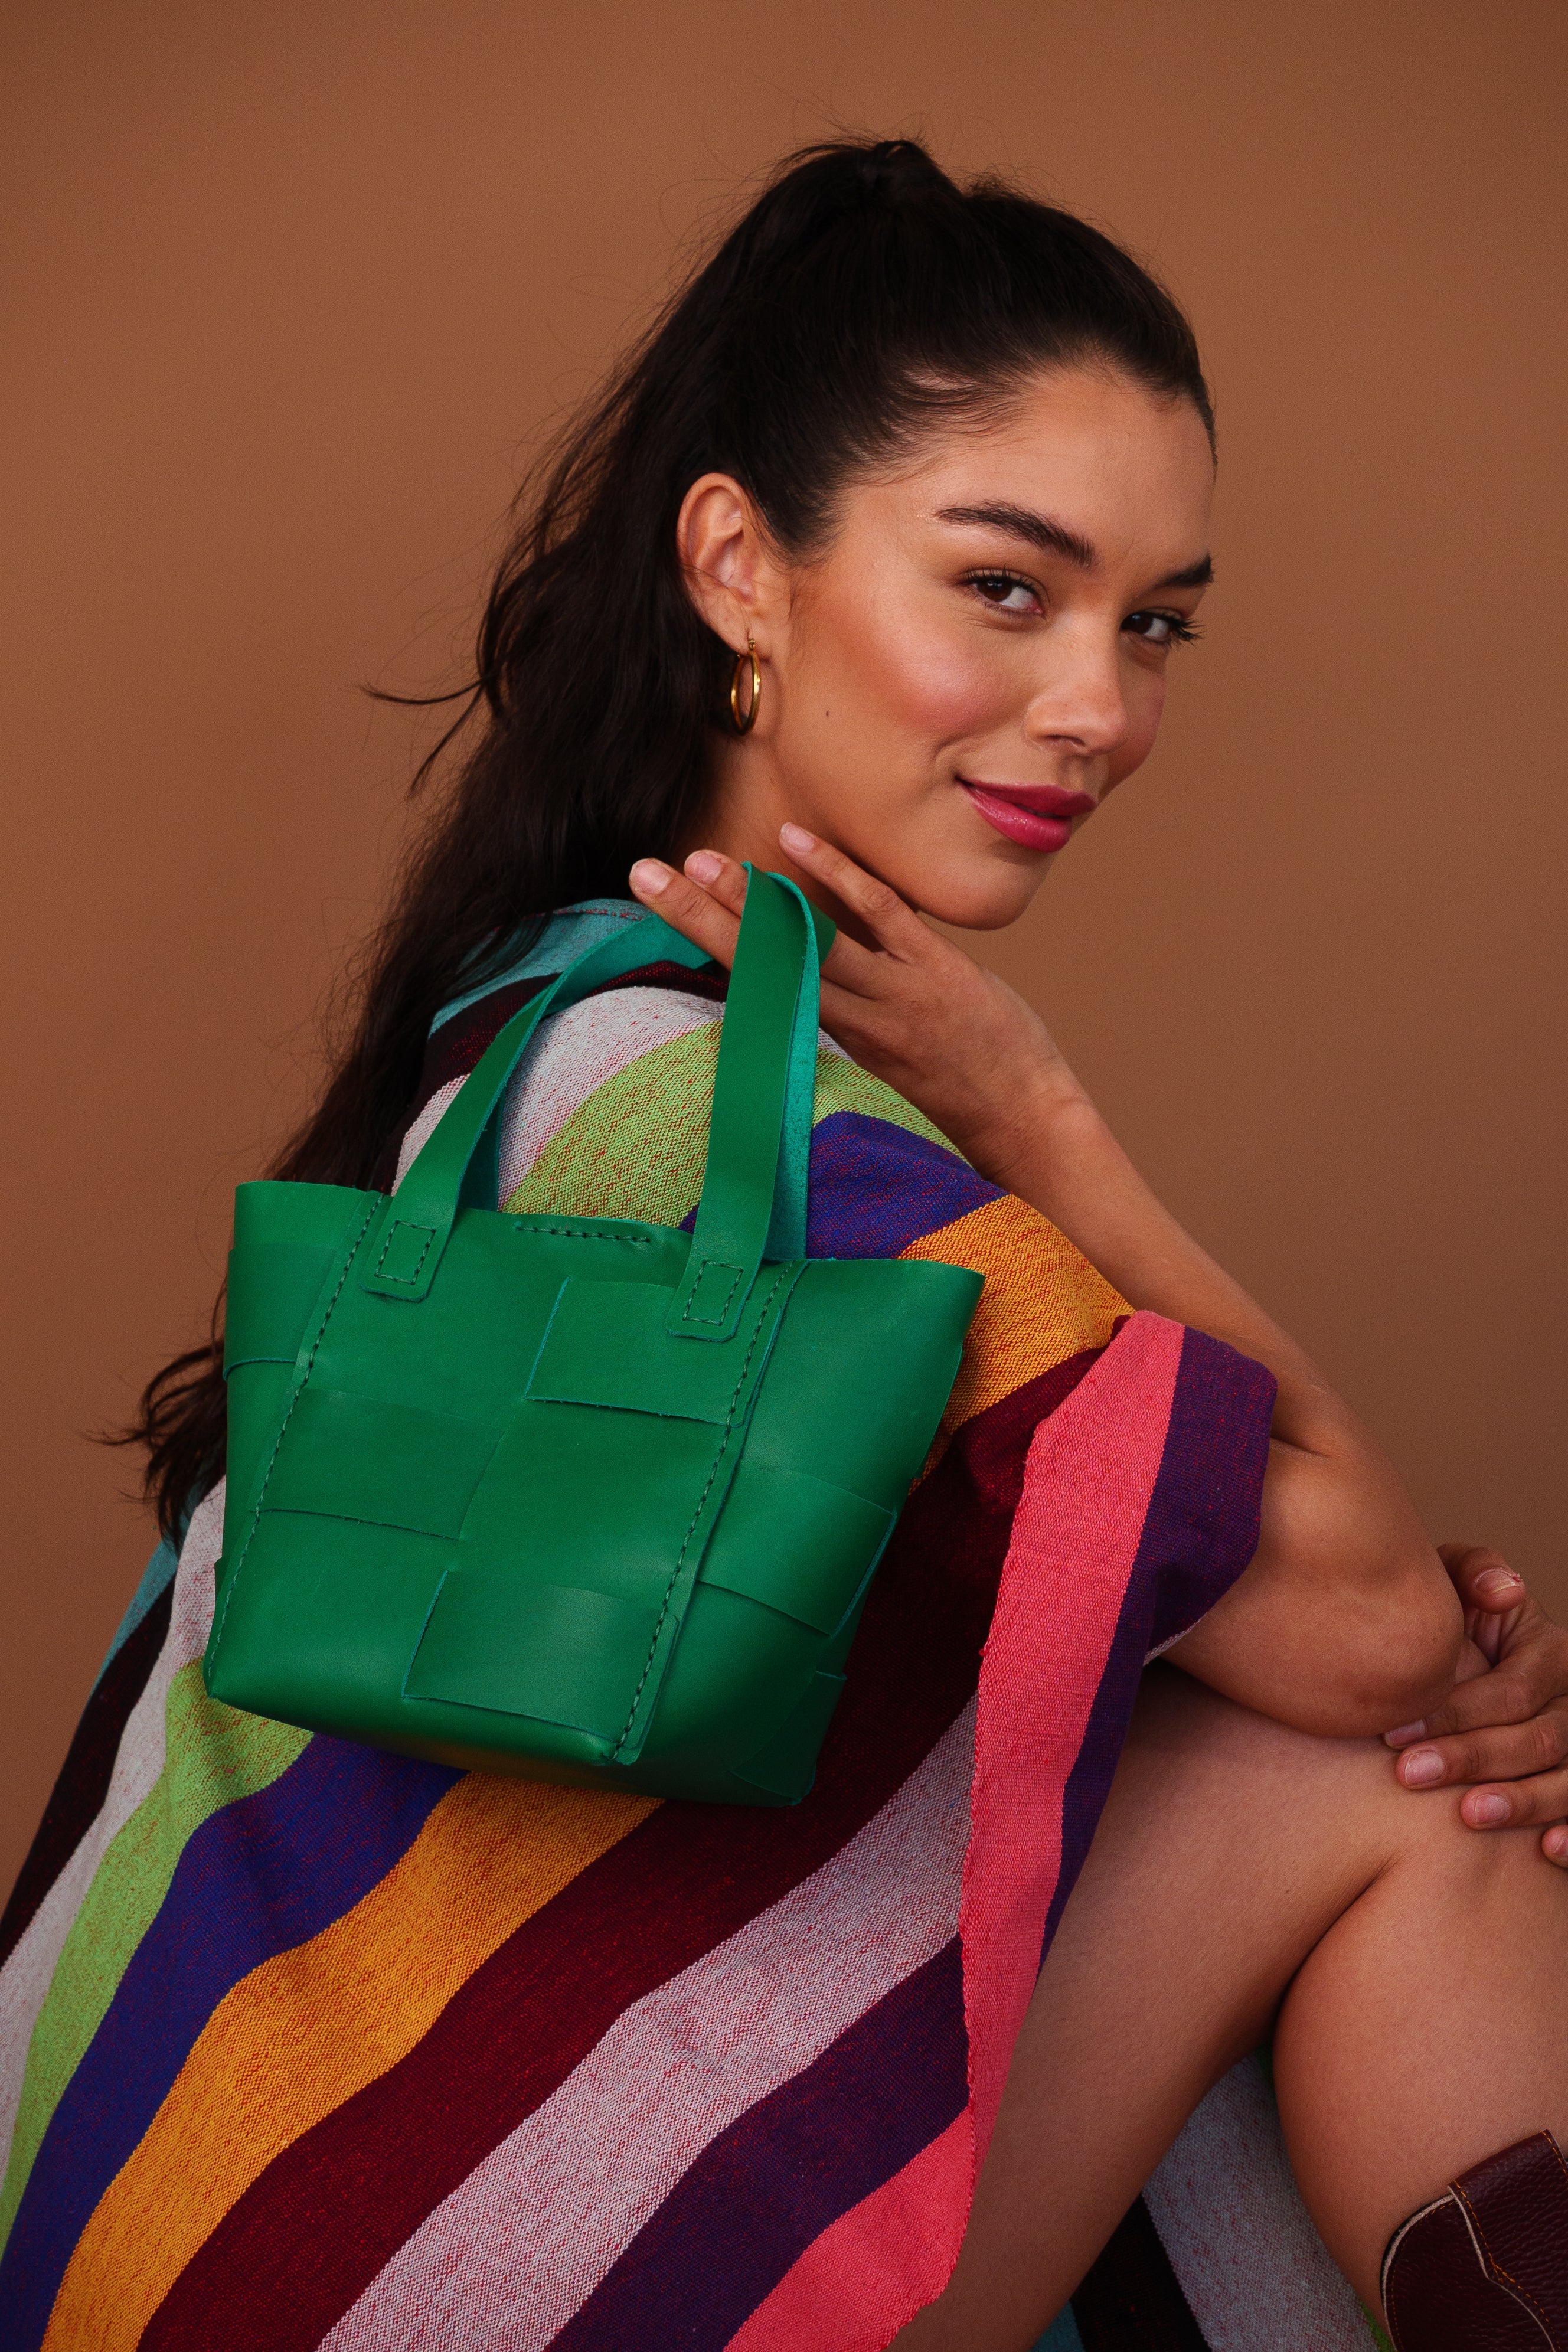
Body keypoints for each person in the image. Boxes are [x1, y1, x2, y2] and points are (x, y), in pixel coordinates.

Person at [1, 137, 1564, 2352]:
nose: (1103, 707)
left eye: (1155, 623)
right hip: (416, 2271)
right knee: (1396, 1784)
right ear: (740, 565)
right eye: (1007, 587)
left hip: (213, 2217)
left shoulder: (552, 1011)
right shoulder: (707, 1106)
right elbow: (1382, 1636)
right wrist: (1048, 1120)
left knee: (1308, 1744)